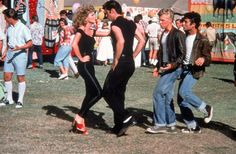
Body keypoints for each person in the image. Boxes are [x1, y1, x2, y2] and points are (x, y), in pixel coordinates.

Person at [102, 0, 145, 137]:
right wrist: (133, 55)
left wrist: (115, 59)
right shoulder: (131, 23)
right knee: (119, 94)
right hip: (129, 63)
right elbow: (142, 41)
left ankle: (126, 117)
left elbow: (121, 41)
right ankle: (119, 126)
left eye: (106, 13)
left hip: (121, 62)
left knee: (107, 92)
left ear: (112, 11)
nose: (106, 16)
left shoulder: (115, 24)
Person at [71, 5, 110, 134]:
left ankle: (80, 122)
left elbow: (107, 33)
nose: (94, 16)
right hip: (84, 66)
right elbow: (74, 44)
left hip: (90, 66)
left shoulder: (92, 31)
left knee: (90, 93)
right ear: (85, 18)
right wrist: (81, 58)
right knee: (99, 92)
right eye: (92, 15)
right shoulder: (80, 30)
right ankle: (80, 116)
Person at [146, 8, 185, 134]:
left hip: (174, 69)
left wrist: (172, 65)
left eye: (162, 20)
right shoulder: (163, 33)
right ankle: (171, 124)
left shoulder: (178, 34)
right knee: (168, 97)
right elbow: (162, 53)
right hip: (165, 68)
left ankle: (160, 124)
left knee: (157, 93)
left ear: (170, 20)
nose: (160, 22)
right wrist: (157, 67)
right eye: (160, 19)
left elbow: (182, 55)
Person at [178, 12, 213, 133]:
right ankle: (193, 126)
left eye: (186, 22)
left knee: (184, 92)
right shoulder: (183, 36)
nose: (183, 23)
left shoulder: (203, 39)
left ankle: (206, 108)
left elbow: (208, 58)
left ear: (193, 24)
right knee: (181, 100)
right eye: (183, 21)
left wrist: (203, 59)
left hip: (194, 70)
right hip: (183, 69)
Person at [0, 8, 32, 108]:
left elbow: (30, 43)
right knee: (6, 76)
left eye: (5, 18)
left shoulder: (23, 28)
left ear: (10, 18)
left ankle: (20, 100)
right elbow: (9, 43)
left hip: (20, 54)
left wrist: (20, 47)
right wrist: (5, 52)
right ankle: (9, 99)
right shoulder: (9, 28)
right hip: (10, 53)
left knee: (20, 77)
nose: (5, 19)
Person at [60, 10, 79, 78]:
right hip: (65, 40)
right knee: (66, 56)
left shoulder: (69, 22)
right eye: (61, 15)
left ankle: (73, 71)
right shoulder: (62, 22)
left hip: (69, 39)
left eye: (63, 15)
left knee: (67, 56)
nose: (62, 16)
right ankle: (66, 72)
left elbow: (73, 30)